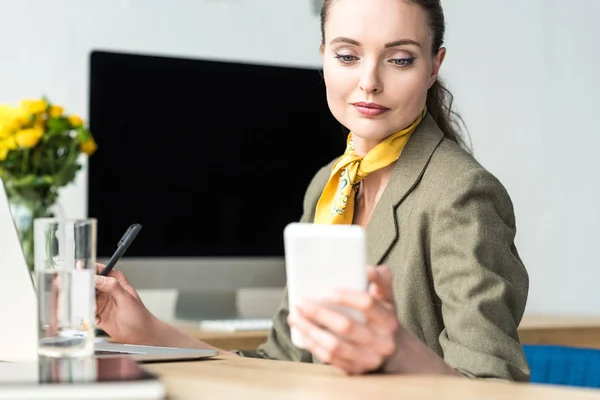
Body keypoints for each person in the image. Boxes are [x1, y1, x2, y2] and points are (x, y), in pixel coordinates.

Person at [94, 0, 530, 381]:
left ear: (433, 66)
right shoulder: (329, 184)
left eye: (399, 60)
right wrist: (143, 330)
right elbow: (281, 365)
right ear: (323, 56)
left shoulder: (462, 193)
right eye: (347, 56)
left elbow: (494, 388)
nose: (369, 82)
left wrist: (399, 353)